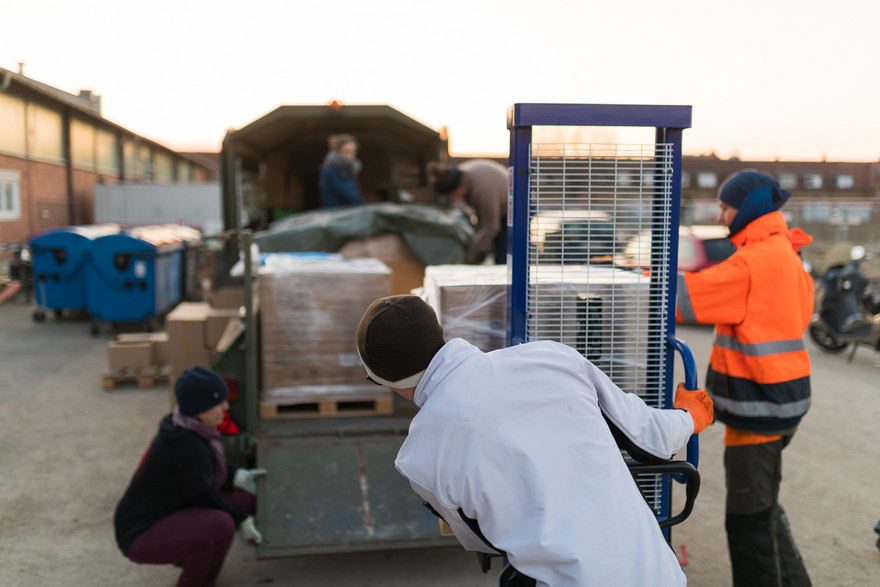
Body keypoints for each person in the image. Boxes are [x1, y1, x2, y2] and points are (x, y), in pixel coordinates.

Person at [356, 294, 714, 586]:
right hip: (657, 576)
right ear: (441, 334)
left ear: (383, 380)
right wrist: (691, 415)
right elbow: (649, 437)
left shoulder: (419, 457)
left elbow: (484, 541)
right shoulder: (550, 358)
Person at [676, 169, 813, 586]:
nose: (721, 217)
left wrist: (634, 277)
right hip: (783, 401)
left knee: (748, 523)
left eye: (725, 207)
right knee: (764, 509)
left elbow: (684, 301)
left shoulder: (754, 262)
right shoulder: (785, 254)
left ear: (748, 208)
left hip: (760, 409)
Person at [114, 366, 267, 587]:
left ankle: (198, 564)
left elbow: (205, 472)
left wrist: (236, 475)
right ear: (199, 408)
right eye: (218, 402)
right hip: (141, 532)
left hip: (171, 508)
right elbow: (204, 495)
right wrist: (240, 518)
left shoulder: (186, 426)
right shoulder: (184, 446)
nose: (226, 407)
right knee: (220, 526)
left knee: (247, 499)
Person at [429, 159, 508, 264]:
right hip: (496, 204)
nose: (454, 199)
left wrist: (469, 258)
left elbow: (490, 227)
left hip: (515, 210)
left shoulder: (483, 191)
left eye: (453, 195)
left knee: (504, 253)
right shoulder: (460, 175)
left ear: (459, 188)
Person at [318, 133, 364, 208]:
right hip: (336, 213)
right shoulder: (330, 169)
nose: (351, 155)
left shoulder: (349, 169)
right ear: (337, 152)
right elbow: (347, 195)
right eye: (347, 152)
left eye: (353, 151)